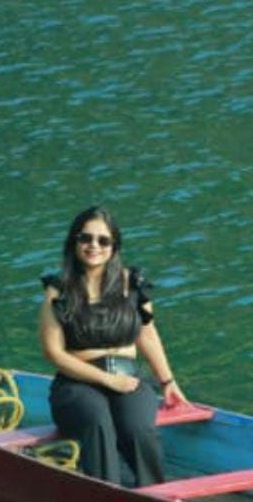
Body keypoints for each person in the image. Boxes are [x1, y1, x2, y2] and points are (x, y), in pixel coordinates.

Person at [38, 206, 187, 486]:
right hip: (77, 383)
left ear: (114, 246)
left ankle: (157, 497)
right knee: (97, 421)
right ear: (74, 242)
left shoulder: (133, 284)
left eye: (103, 240)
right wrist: (107, 380)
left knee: (139, 429)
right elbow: (53, 353)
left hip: (129, 378)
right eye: (86, 238)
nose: (94, 246)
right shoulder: (58, 291)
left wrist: (167, 381)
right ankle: (107, 496)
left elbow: (147, 333)